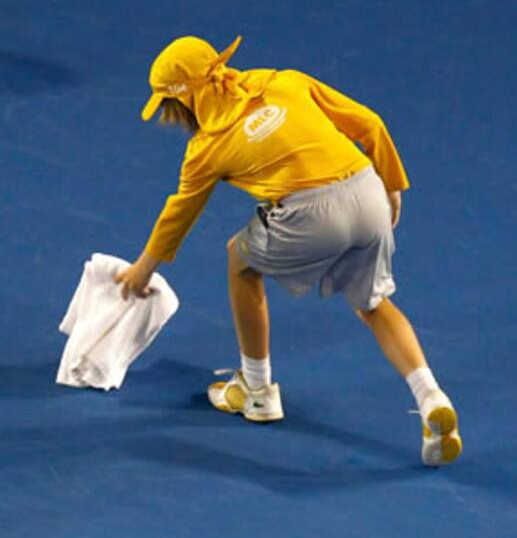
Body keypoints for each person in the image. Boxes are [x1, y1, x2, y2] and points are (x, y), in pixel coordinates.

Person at [116, 35, 460, 467]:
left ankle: (256, 390)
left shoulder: (205, 150)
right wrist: (391, 186)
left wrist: (143, 269)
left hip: (311, 215)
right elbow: (369, 123)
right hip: (365, 188)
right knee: (374, 304)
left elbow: (179, 213)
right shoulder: (285, 81)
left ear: (181, 100)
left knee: (239, 262)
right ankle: (431, 398)